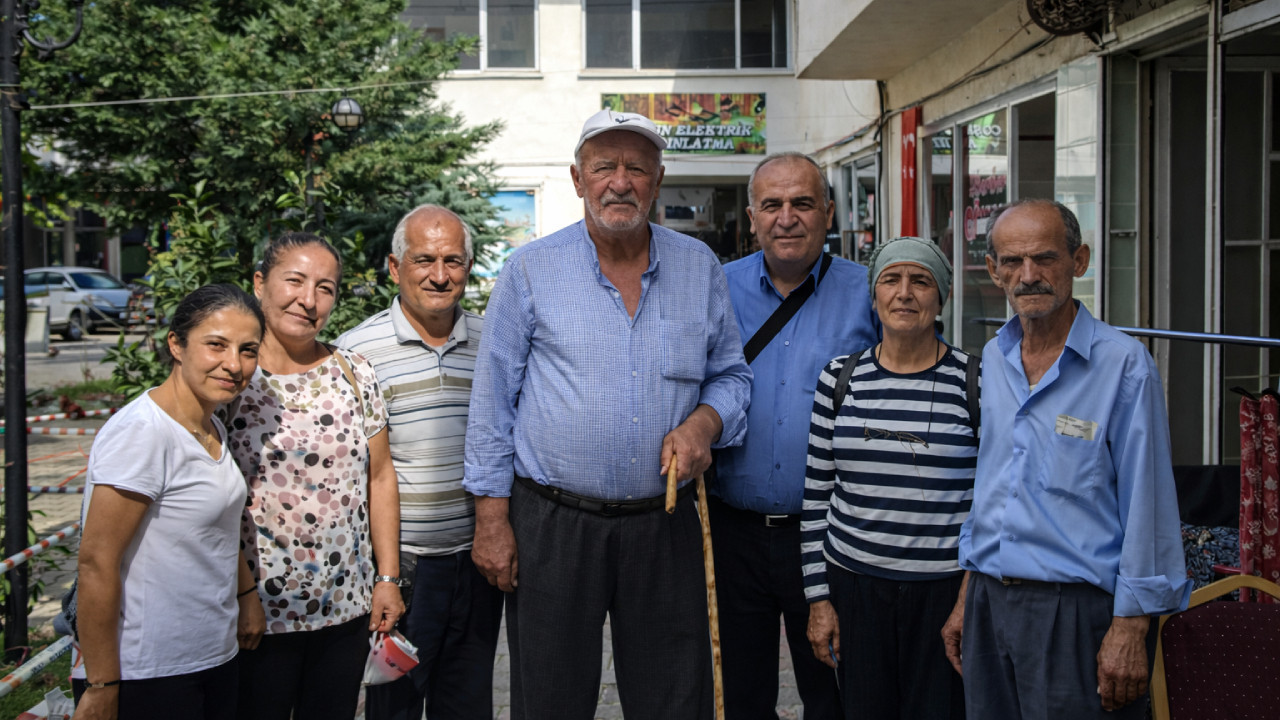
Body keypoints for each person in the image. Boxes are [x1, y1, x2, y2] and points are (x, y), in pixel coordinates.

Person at [464, 108, 752, 720]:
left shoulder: (698, 266)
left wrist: (704, 424)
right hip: (552, 524)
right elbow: (492, 401)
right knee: (549, 698)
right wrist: (492, 519)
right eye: (604, 167)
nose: (620, 182)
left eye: (636, 169)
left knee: (675, 697)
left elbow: (731, 375)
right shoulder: (529, 271)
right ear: (577, 179)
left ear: (658, 179)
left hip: (665, 522)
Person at [941, 199, 1191, 718]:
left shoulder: (1124, 367)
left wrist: (1130, 626)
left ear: (1079, 260)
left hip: (1075, 611)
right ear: (993, 271)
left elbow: (1149, 507)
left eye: (1045, 258)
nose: (1028, 276)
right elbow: (993, 489)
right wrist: (970, 591)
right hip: (990, 599)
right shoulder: (994, 357)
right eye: (1012, 262)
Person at [712, 152, 879, 720]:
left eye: (803, 203)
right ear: (753, 218)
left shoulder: (869, 293)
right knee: (741, 694)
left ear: (828, 213)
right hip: (733, 535)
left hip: (833, 536)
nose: (788, 217)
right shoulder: (718, 288)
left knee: (833, 690)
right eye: (773, 205)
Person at [337, 205, 504, 720]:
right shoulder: (356, 352)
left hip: (478, 564)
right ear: (394, 267)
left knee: (468, 704)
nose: (439, 275)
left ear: (469, 268)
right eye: (424, 259)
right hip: (403, 573)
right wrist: (383, 576)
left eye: (453, 260)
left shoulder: (495, 341)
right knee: (395, 708)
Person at [230, 232, 405, 720]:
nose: (308, 300)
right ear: (260, 283)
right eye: (295, 281)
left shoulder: (355, 372)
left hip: (345, 608)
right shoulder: (231, 380)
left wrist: (387, 578)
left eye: (325, 288)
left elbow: (380, 477)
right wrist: (243, 595)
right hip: (259, 613)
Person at [74, 284, 266, 720]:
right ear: (176, 345)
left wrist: (246, 593)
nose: (233, 365)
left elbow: (215, 525)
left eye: (248, 350)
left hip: (213, 656)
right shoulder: (143, 433)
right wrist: (102, 684)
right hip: (150, 672)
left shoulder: (213, 424)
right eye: (215, 345)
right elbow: (96, 562)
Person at [803, 236, 975, 720]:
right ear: (873, 295)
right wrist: (819, 601)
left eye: (921, 281)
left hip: (942, 594)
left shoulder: (975, 383)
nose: (905, 293)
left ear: (941, 296)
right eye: (891, 280)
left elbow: (991, 506)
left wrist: (968, 600)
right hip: (855, 588)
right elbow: (817, 498)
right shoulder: (839, 379)